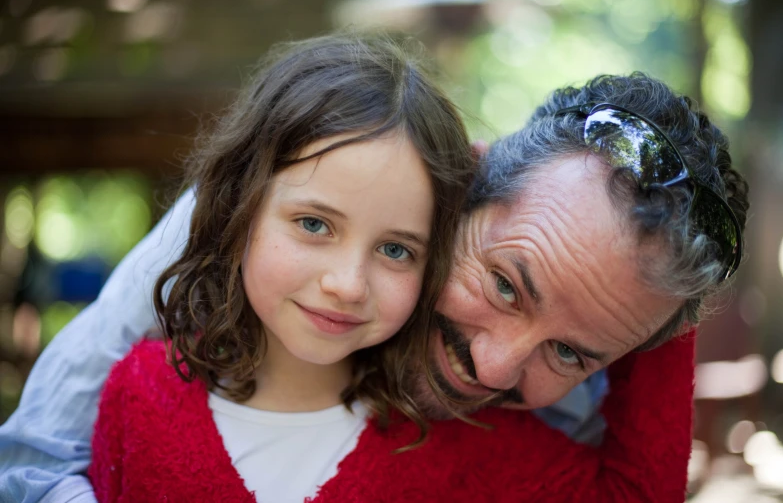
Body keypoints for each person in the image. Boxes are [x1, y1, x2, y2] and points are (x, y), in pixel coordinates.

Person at [0, 63, 748, 501]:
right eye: (506, 286)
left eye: (572, 354)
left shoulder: (524, 442)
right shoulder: (278, 217)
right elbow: (36, 456)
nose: (491, 370)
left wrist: (658, 301)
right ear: (460, 191)